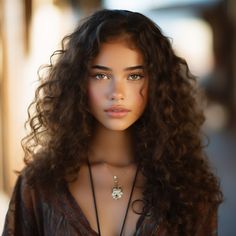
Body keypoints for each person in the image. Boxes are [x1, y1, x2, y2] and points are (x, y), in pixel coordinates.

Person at [2, 9, 223, 236]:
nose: (117, 93)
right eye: (101, 75)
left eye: (134, 75)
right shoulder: (39, 186)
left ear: (158, 84)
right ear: (77, 82)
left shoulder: (187, 190)